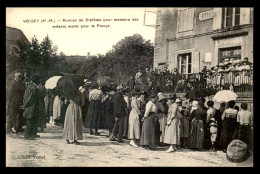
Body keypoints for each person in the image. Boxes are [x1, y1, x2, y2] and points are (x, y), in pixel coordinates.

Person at [22, 75, 40, 140]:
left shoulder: (28, 86)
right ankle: (28, 135)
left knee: (31, 121)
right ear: (37, 81)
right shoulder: (34, 88)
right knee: (31, 121)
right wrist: (26, 105)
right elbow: (31, 98)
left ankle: (31, 134)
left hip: (29, 106)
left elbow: (25, 96)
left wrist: (24, 104)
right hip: (32, 106)